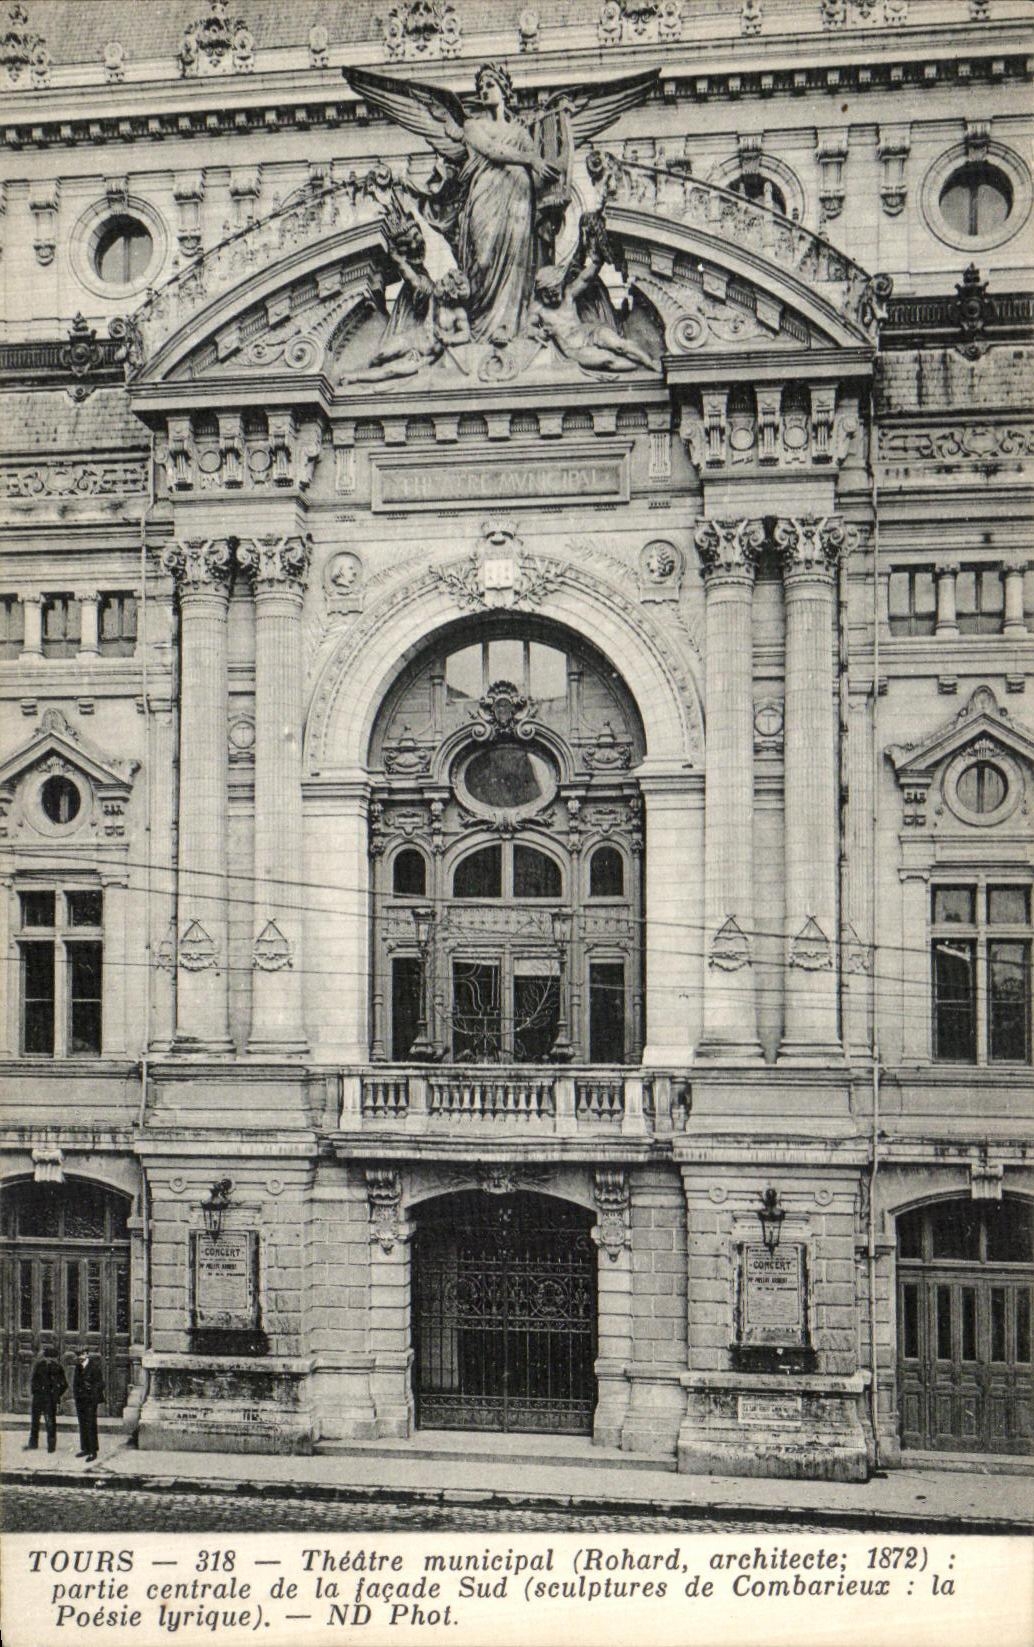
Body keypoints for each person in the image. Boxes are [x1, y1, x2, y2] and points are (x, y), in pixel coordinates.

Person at [24, 1347, 67, 1454]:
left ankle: (50, 1446)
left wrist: (56, 1395)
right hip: (39, 1398)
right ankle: (34, 1443)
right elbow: (34, 1380)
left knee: (49, 1422)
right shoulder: (40, 1366)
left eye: (51, 1358)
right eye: (48, 1358)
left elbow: (64, 1384)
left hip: (49, 1399)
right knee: (36, 1421)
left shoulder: (57, 1368)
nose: (49, 1360)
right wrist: (35, 1391)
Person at [72, 1346, 104, 1462]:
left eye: (81, 1355)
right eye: (78, 1355)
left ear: (86, 1354)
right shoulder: (78, 1367)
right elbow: (75, 1383)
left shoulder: (94, 1367)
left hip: (90, 1400)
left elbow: (101, 1384)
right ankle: (85, 1448)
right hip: (80, 1400)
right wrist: (77, 1396)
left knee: (90, 1424)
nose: (79, 1357)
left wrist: (91, 1390)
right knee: (82, 1424)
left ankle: (93, 1451)